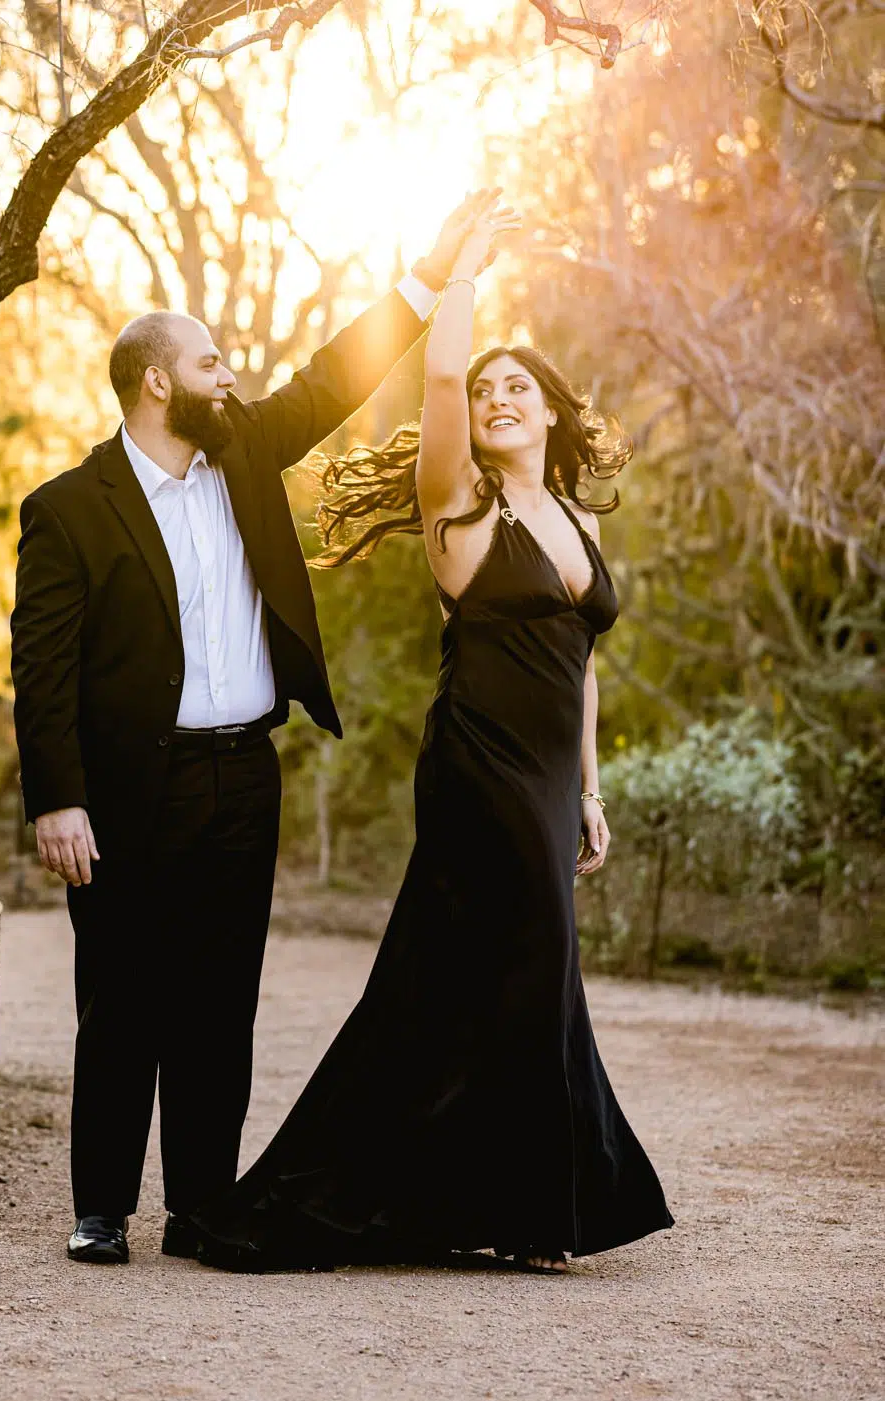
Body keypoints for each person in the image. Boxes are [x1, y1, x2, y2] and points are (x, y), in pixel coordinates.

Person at [11, 190, 506, 1266]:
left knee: (218, 1005)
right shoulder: (69, 508)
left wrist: (427, 274)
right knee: (123, 1002)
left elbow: (338, 373)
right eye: (211, 363)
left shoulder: (246, 453)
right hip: (134, 790)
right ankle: (101, 1208)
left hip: (247, 776)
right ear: (156, 381)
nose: (230, 375)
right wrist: (59, 797)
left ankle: (199, 1203)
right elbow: (40, 669)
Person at [188, 199, 673, 1273]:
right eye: (488, 389)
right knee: (537, 959)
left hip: (548, 779)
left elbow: (580, 668)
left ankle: (476, 1199)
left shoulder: (583, 525)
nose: (498, 397)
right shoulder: (457, 507)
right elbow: (442, 382)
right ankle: (537, 1211)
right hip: (477, 766)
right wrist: (458, 276)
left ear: (549, 411)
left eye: (518, 388)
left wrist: (591, 790)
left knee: (460, 979)